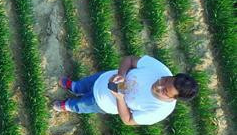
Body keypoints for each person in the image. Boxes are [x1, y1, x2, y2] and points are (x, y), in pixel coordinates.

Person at [52, 54, 198, 126]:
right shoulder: (160, 69)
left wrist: (120, 98)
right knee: (82, 85)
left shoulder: (159, 111)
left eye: (164, 91)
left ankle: (68, 105)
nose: (158, 85)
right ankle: (74, 87)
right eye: (165, 80)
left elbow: (128, 120)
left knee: (82, 105)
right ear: (170, 76)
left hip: (103, 103)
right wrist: (121, 75)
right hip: (103, 78)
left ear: (174, 98)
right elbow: (129, 60)